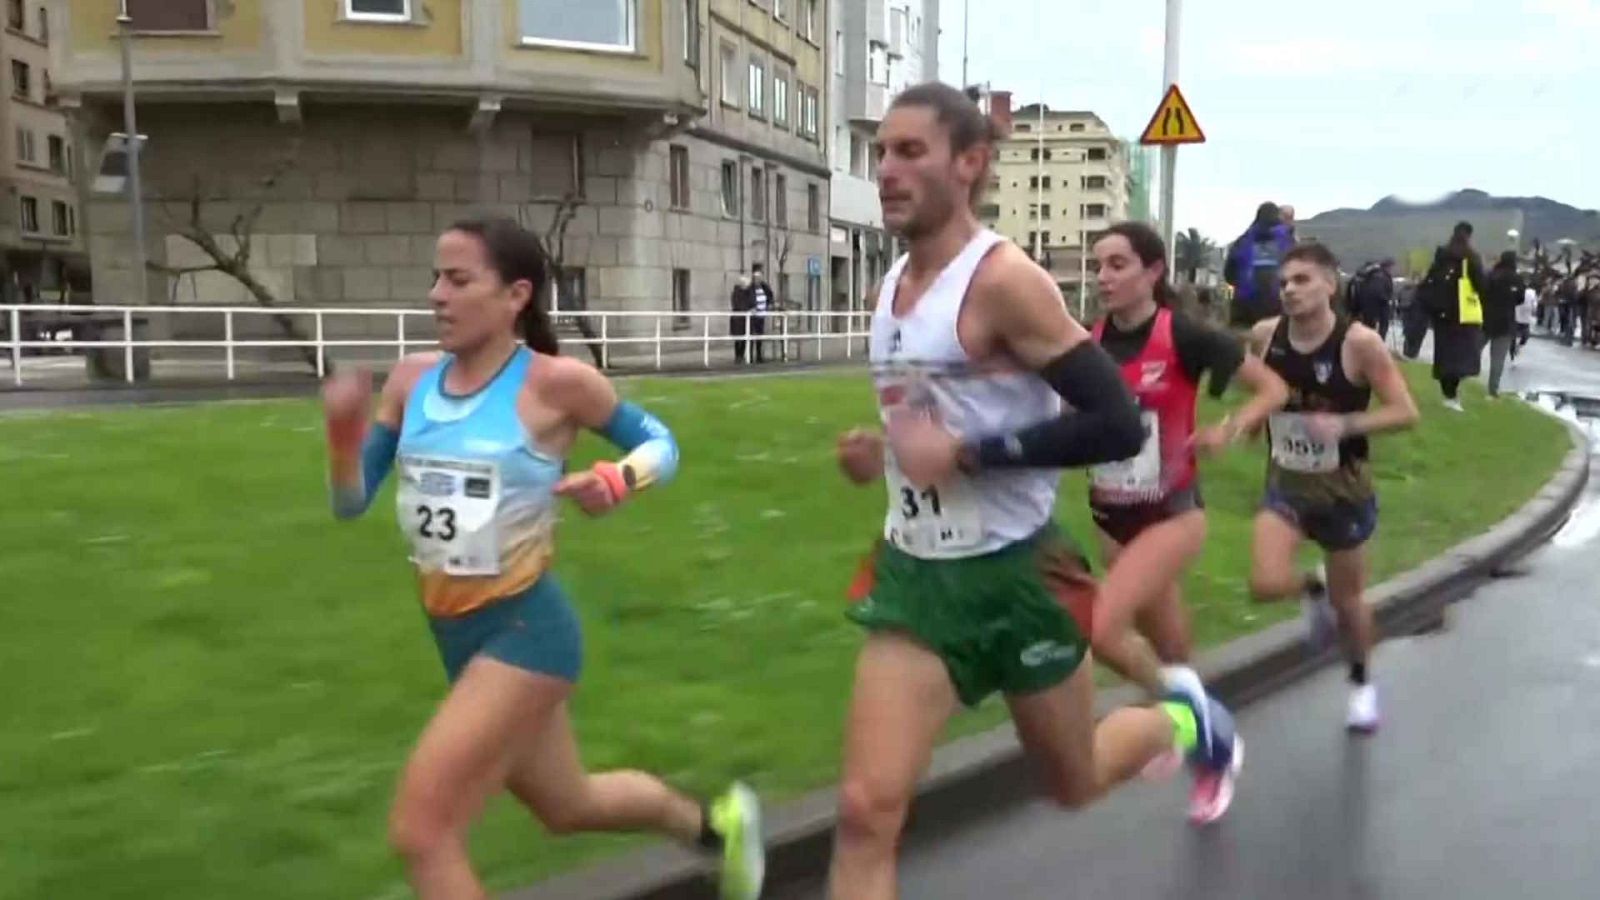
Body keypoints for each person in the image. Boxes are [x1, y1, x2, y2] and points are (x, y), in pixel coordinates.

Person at [829, 83, 1241, 900]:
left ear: (970, 162)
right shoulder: (890, 287)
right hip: (918, 579)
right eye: (882, 152)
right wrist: (886, 453)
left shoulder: (1005, 281)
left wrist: (971, 456)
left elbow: (1117, 421)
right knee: (864, 810)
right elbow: (930, 421)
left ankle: (1186, 722)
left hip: (1020, 579)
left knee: (1074, 780)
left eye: (911, 151)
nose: (887, 169)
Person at [321, 217, 763, 900]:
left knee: (423, 832)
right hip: (455, 637)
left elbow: (662, 444)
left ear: (515, 295)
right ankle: (717, 829)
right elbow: (351, 502)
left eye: (459, 279)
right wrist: (343, 436)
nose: (438, 295)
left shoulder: (558, 384)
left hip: (527, 634)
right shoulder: (410, 383)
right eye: (435, 277)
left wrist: (617, 480)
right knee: (568, 805)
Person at [1084, 220, 1288, 725]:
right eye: (1097, 267)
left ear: (1153, 270)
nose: (1103, 278)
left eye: (1117, 264)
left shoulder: (1183, 333)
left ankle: (1197, 721)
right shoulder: (1086, 343)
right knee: (1170, 646)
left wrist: (1230, 427)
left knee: (1101, 629)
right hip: (1110, 512)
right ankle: (1196, 729)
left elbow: (1272, 389)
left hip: (1171, 513)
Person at [1245, 242, 1420, 734]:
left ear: (1330, 284)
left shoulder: (1358, 343)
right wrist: (1256, 421)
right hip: (1286, 482)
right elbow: (1259, 389)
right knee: (1263, 583)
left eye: (1301, 280)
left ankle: (1362, 685)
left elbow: (1405, 411)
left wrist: (1345, 425)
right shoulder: (1265, 335)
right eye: (1283, 283)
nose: (1289, 290)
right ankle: (1310, 585)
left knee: (1350, 606)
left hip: (1344, 490)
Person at [1417, 222, 1486, 412]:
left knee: (1445, 355)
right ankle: (1452, 394)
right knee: (1463, 356)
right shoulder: (1471, 258)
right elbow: (1482, 285)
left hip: (1441, 315)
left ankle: (1448, 393)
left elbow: (1427, 284)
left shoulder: (1441, 257)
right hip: (1463, 314)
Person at [1224, 202, 1296, 328]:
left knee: (1242, 342)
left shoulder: (1243, 240)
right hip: (1278, 304)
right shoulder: (1288, 241)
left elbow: (1229, 274)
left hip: (1245, 305)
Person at [1482, 250, 1525, 398]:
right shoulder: (1518, 279)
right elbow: (1520, 299)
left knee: (1473, 350)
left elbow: (1483, 293)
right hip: (1506, 321)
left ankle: (1459, 378)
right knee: (1498, 359)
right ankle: (1493, 390)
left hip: (1486, 319)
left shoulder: (1492, 275)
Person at [1346, 259, 1396, 340]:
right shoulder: (1382, 276)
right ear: (1388, 267)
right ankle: (1377, 345)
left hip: (1361, 307)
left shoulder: (1363, 275)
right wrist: (1388, 300)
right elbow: (1380, 293)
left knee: (1364, 329)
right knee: (1379, 329)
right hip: (1378, 308)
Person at [729, 271, 753, 364]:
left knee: (744, 338)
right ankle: (737, 356)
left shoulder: (748, 293)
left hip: (745, 319)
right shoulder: (736, 293)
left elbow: (751, 302)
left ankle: (741, 355)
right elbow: (736, 305)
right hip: (738, 319)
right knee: (738, 339)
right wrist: (746, 310)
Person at [1515, 281, 1538, 354]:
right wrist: (1534, 310)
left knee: (1518, 332)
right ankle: (1518, 346)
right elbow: (1534, 304)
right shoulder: (1532, 292)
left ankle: (1516, 346)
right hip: (1525, 315)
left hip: (1518, 314)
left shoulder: (1517, 290)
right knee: (1525, 333)